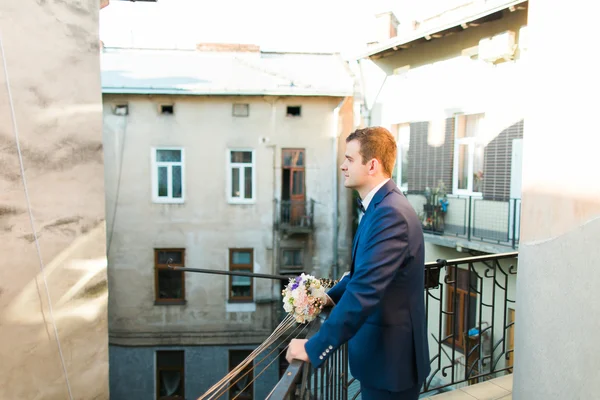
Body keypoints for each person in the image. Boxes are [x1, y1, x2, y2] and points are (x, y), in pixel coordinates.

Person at [286, 126, 430, 400]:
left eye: (350, 159)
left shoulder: (390, 214)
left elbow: (365, 289)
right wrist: (327, 298)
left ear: (372, 164)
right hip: (384, 359)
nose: (342, 166)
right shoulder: (382, 207)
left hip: (391, 363)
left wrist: (314, 347)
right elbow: (360, 274)